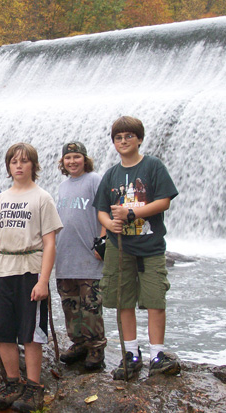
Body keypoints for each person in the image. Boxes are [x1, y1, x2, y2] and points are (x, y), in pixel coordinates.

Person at [93, 116, 180, 380]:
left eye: (129, 137)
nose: (123, 141)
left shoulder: (153, 166)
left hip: (151, 246)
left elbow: (164, 201)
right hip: (120, 248)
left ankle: (157, 354)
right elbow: (101, 210)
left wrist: (133, 212)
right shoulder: (111, 174)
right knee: (123, 301)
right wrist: (110, 224)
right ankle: (131, 353)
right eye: (118, 138)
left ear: (139, 139)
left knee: (155, 301)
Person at [0, 143, 62, 413]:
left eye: (24, 161)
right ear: (8, 167)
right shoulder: (0, 199)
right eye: (14, 162)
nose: (18, 166)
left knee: (31, 332)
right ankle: (13, 383)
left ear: (33, 166)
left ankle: (34, 387)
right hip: (2, 270)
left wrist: (43, 280)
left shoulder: (42, 198)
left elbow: (50, 243)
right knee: (2, 330)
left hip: (30, 270)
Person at [55, 141, 107, 370]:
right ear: (63, 162)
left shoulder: (94, 180)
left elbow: (105, 210)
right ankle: (78, 344)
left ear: (85, 159)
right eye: (68, 158)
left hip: (89, 257)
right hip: (65, 257)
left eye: (77, 157)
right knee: (70, 305)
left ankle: (96, 348)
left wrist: (103, 241)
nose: (72, 161)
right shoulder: (62, 186)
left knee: (91, 306)